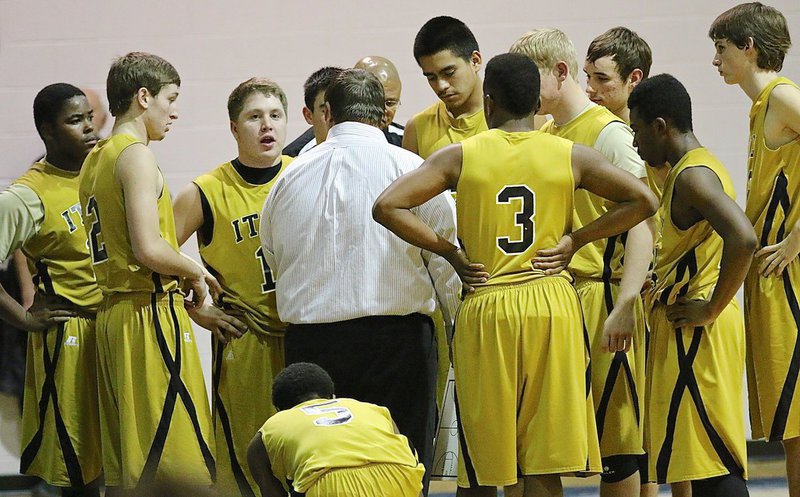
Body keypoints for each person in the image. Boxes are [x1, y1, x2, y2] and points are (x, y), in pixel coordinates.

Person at [373, 52, 658, 497]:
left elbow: (387, 206)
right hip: (552, 305)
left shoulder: (459, 155)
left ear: (489, 102)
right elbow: (643, 200)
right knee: (544, 463)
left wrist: (448, 251)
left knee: (485, 463)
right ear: (535, 103)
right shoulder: (569, 153)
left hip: (489, 301)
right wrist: (577, 239)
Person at [260, 68, 460, 495]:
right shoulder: (411, 169)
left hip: (312, 347)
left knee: (321, 477)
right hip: (399, 345)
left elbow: (275, 260)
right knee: (403, 474)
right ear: (384, 117)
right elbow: (447, 263)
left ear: (327, 113)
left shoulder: (287, 180)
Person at [511, 28, 653, 497]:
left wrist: (627, 301)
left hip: (604, 291)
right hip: (562, 299)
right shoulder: (549, 133)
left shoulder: (608, 132)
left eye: (529, 79)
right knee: (564, 439)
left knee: (618, 441)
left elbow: (642, 222)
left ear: (558, 72)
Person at [77, 52, 217, 492]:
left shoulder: (94, 158)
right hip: (147, 315)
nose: (175, 111)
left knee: (127, 467)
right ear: (143, 97)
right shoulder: (135, 155)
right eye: (170, 99)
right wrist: (195, 271)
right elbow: (149, 246)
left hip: (113, 319)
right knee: (174, 462)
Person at [629, 73, 754, 496]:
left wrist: (711, 308)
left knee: (713, 463)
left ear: (661, 126)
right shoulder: (693, 168)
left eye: (637, 129)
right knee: (700, 463)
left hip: (700, 331)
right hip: (696, 327)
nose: (634, 143)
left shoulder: (691, 177)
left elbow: (744, 238)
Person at [172, 77, 292, 497]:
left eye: (275, 115)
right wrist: (197, 309)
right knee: (247, 457)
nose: (266, 126)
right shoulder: (205, 191)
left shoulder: (305, 174)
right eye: (254, 116)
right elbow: (152, 257)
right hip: (247, 340)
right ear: (233, 127)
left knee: (304, 455)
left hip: (305, 334)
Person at [709, 3, 800, 495]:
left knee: (799, 425)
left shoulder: (783, 97)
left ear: (748, 47)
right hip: (771, 281)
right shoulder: (761, 106)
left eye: (721, 49)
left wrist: (794, 240)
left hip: (792, 282)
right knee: (788, 424)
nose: (715, 60)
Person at [0, 84, 101, 497]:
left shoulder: (106, 170)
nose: (89, 129)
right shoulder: (25, 195)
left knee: (126, 459)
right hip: (71, 336)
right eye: (75, 121)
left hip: (115, 327)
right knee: (80, 469)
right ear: (47, 131)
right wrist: (24, 316)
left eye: (89, 117)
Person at [584, 26, 666, 497]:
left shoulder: (622, 139)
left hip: (626, 293)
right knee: (642, 434)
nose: (592, 89)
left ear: (634, 79)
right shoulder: (615, 131)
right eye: (587, 77)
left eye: (602, 79)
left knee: (626, 433)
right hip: (632, 292)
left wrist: (630, 295)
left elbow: (645, 222)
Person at [247, 362, 425, 497]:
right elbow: (408, 455)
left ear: (279, 409)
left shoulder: (272, 426)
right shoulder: (373, 409)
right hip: (398, 478)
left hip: (331, 486)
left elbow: (270, 492)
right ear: (332, 397)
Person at [403, 16, 487, 158]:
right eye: (431, 77)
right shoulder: (417, 127)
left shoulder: (513, 118)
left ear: (475, 61)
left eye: (449, 73)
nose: (441, 86)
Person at [284, 58, 405, 156]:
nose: (380, 109)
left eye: (390, 103)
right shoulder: (298, 156)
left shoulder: (408, 141)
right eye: (372, 100)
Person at [282, 66, 343, 157]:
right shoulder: (296, 165)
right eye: (325, 111)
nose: (335, 118)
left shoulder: (370, 156)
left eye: (342, 108)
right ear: (309, 116)